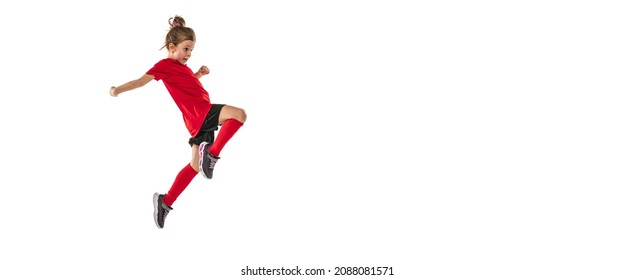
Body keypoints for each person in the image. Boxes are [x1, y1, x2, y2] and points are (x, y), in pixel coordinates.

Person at [109, 15, 247, 229]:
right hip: (200, 113)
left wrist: (197, 75)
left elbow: (186, 87)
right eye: (186, 49)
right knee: (239, 115)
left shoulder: (181, 69)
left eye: (192, 50)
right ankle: (211, 154)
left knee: (194, 166)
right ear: (172, 46)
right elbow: (140, 81)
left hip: (199, 118)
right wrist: (117, 90)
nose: (189, 54)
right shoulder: (164, 65)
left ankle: (165, 202)